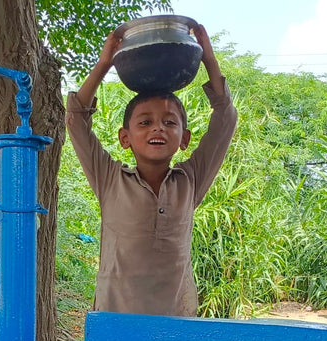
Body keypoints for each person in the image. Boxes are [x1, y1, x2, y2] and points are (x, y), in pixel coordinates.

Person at [66, 23, 237, 316]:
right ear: (125, 138)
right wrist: (104, 64)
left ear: (184, 139)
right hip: (115, 320)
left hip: (175, 323)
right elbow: (76, 119)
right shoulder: (109, 179)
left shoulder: (190, 180)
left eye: (170, 122)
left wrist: (208, 59)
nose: (158, 127)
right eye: (144, 122)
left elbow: (226, 119)